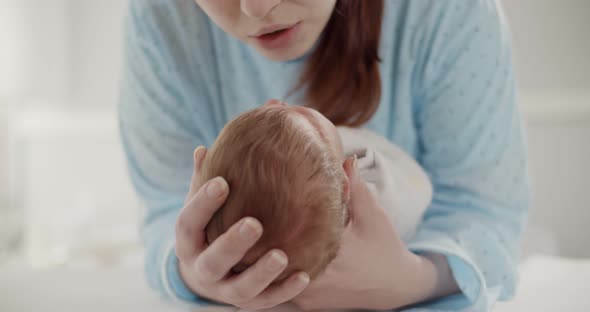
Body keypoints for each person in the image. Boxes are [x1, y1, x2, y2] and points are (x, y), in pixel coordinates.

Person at [119, 0, 530, 310]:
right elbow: (164, 208)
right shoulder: (161, 14)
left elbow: (484, 212)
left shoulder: (445, 12)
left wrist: (411, 280)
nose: (257, 7)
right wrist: (192, 272)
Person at [197, 101, 433, 284]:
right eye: (307, 116)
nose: (278, 103)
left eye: (273, 110)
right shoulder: (380, 196)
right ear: (345, 184)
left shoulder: (296, 255)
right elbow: (420, 188)